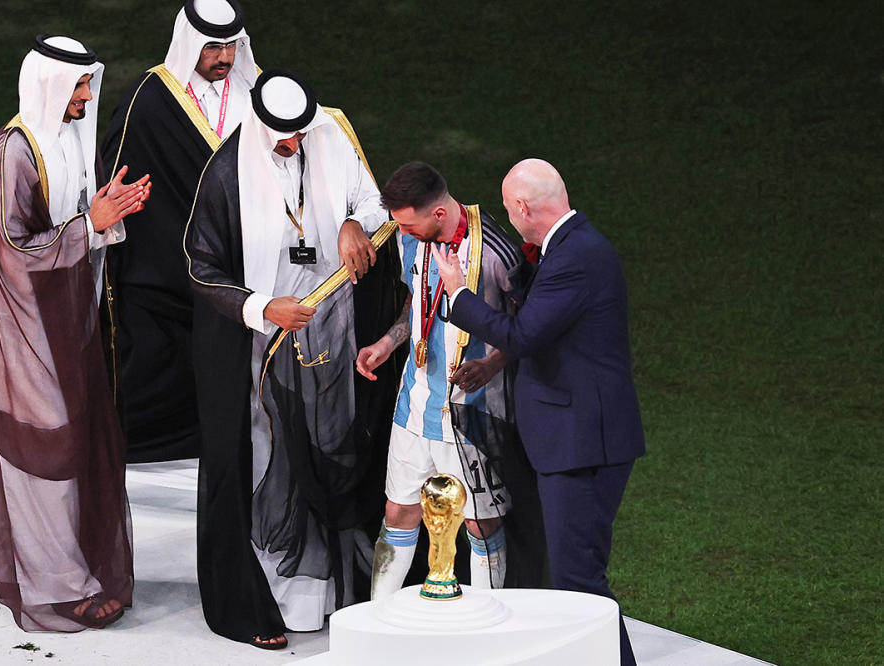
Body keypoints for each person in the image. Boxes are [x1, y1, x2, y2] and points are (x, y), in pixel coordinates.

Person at [185, 69, 405, 649]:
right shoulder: (227, 171)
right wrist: (263, 306)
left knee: (333, 450)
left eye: (300, 134)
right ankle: (274, 597)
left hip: (333, 327)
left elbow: (371, 197)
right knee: (271, 462)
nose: (294, 145)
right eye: (283, 138)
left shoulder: (328, 131)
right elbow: (201, 269)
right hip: (265, 345)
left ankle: (330, 594)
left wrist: (358, 221)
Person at [0, 35, 151, 632]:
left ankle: (69, 570)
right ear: (48, 86)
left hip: (71, 321)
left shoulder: (70, 140)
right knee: (47, 447)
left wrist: (106, 214)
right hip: (23, 329)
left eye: (89, 85)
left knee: (78, 441)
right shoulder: (11, 154)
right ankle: (60, 586)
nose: (86, 97)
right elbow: (11, 249)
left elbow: (81, 223)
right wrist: (89, 225)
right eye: (77, 87)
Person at [432, 158, 645, 665]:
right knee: (576, 578)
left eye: (510, 209)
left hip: (581, 443)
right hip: (579, 436)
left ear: (524, 208)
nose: (510, 216)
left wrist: (459, 290)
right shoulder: (574, 247)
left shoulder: (575, 257)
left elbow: (522, 335)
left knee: (578, 581)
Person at [356, 161, 545, 599]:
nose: (401, 233)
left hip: (475, 412)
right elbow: (414, 299)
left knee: (481, 522)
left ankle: (486, 621)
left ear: (438, 214)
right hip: (415, 403)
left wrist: (492, 364)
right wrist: (389, 341)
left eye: (408, 223)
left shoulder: (497, 254)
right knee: (399, 512)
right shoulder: (411, 241)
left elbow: (530, 329)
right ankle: (377, 615)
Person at [99, 0, 259, 462]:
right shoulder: (148, 100)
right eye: (212, 47)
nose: (224, 57)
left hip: (244, 268)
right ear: (190, 44)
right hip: (166, 267)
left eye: (232, 46)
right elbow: (122, 180)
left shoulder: (256, 96)